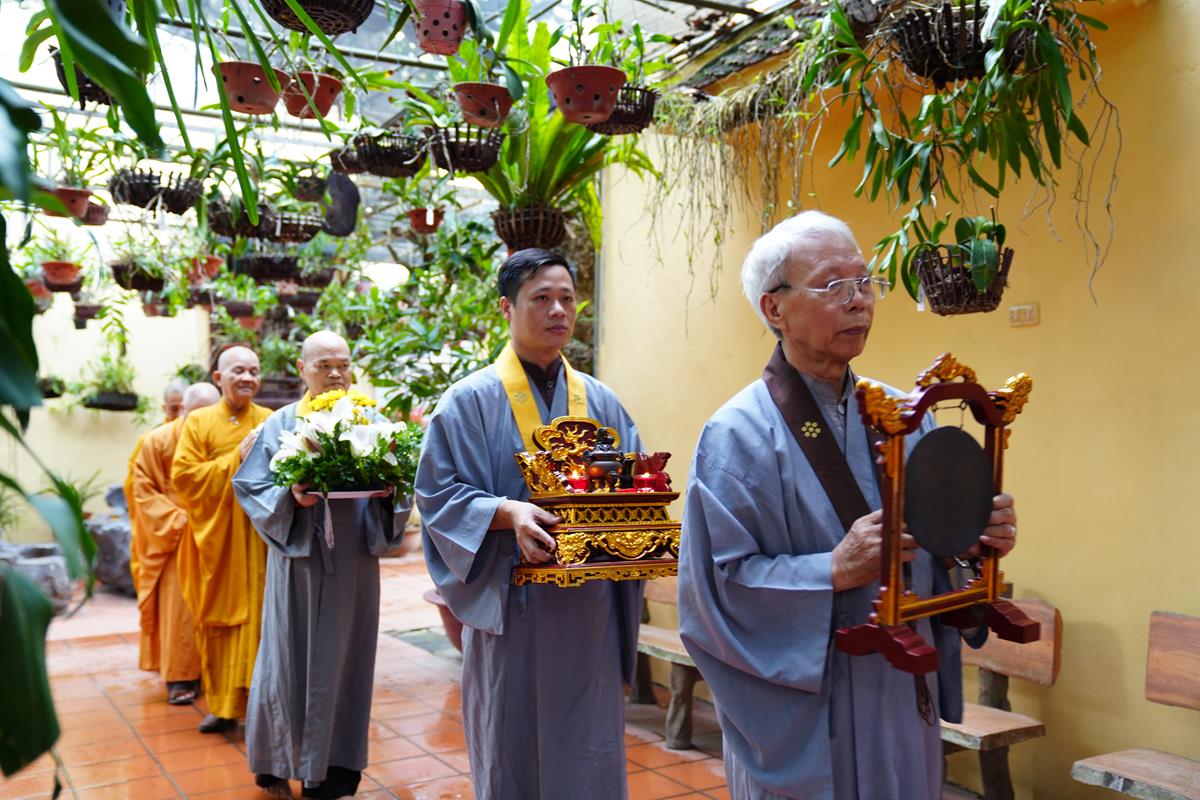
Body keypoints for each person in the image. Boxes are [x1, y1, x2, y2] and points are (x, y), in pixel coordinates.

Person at [676, 211, 1019, 800]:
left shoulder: (906, 415)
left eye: (865, 281)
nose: (859, 300)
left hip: (900, 695)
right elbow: (716, 592)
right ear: (775, 309)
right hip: (807, 713)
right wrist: (830, 570)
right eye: (833, 285)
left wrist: (972, 545)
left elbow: (938, 558)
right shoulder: (736, 435)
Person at [416, 249, 645, 800]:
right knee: (510, 741)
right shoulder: (468, 401)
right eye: (541, 298)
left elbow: (634, 484)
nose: (558, 310)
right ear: (506, 308)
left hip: (588, 608)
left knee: (586, 744)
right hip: (512, 605)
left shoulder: (602, 401)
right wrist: (506, 512)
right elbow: (437, 494)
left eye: (567, 298)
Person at [232, 331, 413, 800]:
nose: (335, 374)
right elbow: (251, 487)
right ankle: (276, 762)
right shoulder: (280, 425)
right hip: (299, 563)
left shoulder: (372, 421)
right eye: (324, 365)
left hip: (353, 563)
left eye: (343, 364)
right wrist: (290, 497)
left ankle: (337, 772)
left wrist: (391, 491)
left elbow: (400, 484)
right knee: (286, 659)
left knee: (349, 661)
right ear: (301, 369)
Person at [172, 346, 272, 734]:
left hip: (260, 542)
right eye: (238, 371)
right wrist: (235, 460)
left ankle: (264, 708)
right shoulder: (198, 422)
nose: (247, 378)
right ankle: (223, 706)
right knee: (218, 626)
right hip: (217, 544)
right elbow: (184, 478)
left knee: (263, 623)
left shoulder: (270, 420)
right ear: (218, 377)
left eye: (254, 371)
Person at [130, 382, 220, 705]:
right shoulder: (157, 441)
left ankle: (219, 674)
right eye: (197, 413)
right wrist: (179, 521)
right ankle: (181, 675)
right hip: (176, 534)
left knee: (221, 603)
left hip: (218, 531)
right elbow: (142, 491)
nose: (204, 421)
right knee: (180, 607)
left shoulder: (221, 437)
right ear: (182, 409)